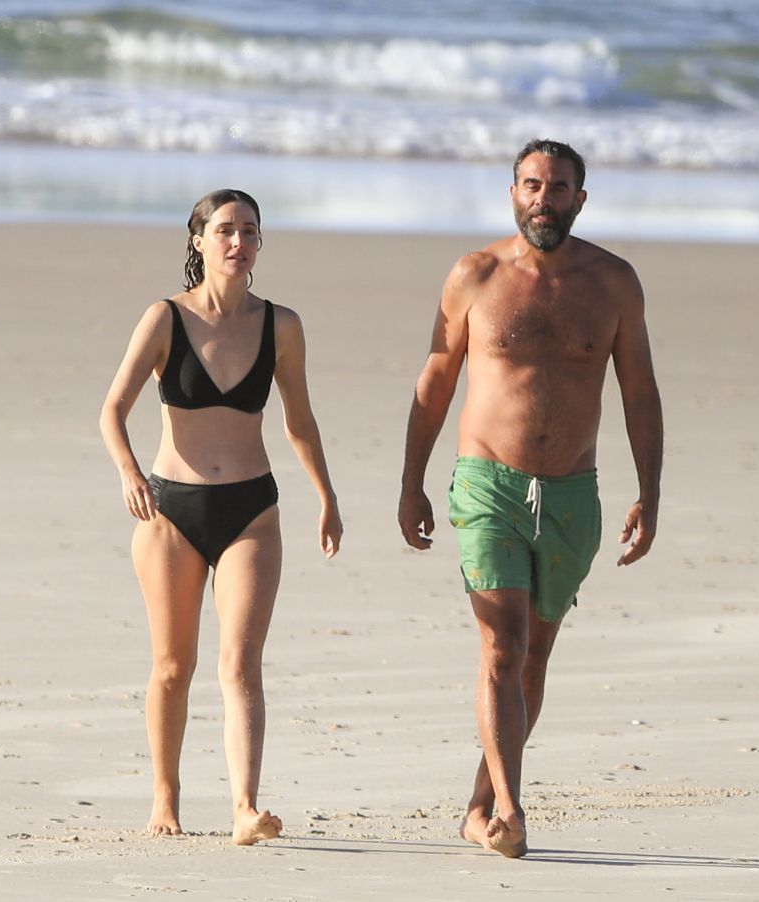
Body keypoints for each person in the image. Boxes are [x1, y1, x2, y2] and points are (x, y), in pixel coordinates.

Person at [397, 140, 663, 858]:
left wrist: (651, 492)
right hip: (489, 484)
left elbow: (639, 391)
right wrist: (411, 480)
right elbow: (434, 382)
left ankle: (480, 803)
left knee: (534, 657)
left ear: (582, 198)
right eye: (532, 185)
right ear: (512, 192)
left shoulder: (613, 284)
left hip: (574, 492)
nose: (544, 199)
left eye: (559, 188)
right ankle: (512, 811)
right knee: (501, 645)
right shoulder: (475, 275)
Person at [100, 189, 343, 844]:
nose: (240, 242)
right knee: (173, 665)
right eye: (227, 230)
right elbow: (112, 410)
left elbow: (299, 420)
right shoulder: (164, 319)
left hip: (251, 509)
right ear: (199, 241)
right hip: (167, 511)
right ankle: (166, 794)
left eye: (251, 231)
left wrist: (326, 495)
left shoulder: (281, 326)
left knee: (239, 662)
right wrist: (128, 474)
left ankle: (244, 807)